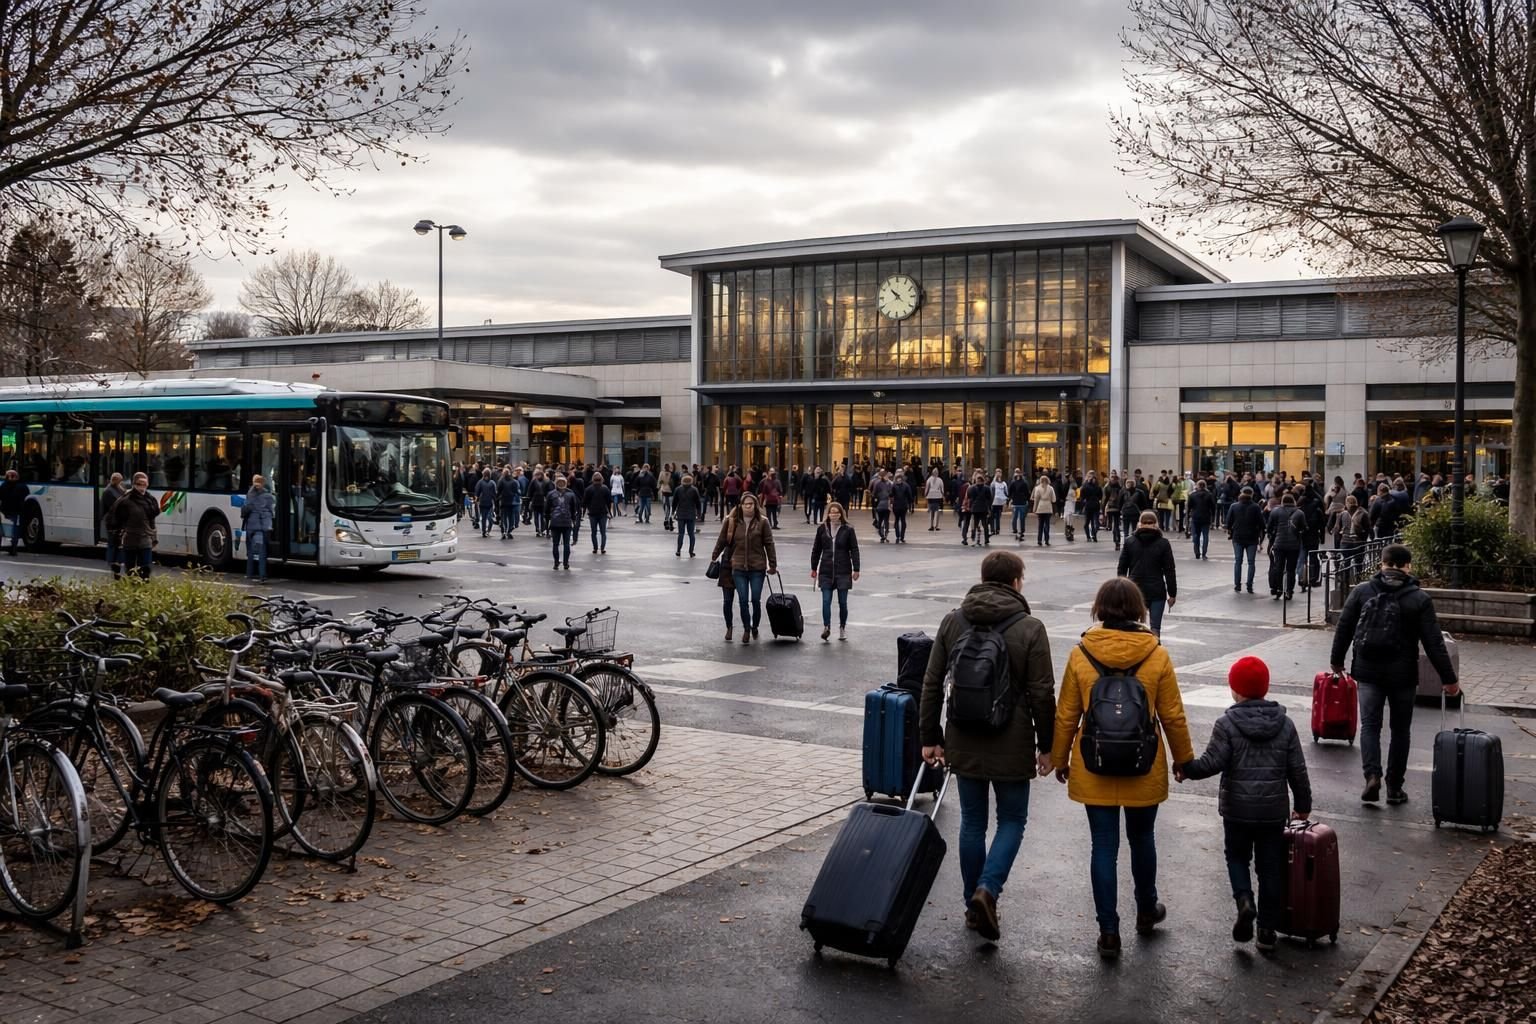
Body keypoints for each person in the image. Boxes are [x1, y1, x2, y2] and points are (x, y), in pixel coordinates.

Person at [1051, 577, 1194, 958]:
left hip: (1093, 763)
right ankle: (1146, 911)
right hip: (1143, 763)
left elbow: (1066, 714)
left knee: (1103, 845)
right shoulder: (1156, 654)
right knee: (1142, 839)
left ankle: (1108, 931)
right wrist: (1183, 759)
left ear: (1098, 609)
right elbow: (1173, 716)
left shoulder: (1081, 654)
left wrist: (1059, 757)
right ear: (1139, 610)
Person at [918, 550, 1056, 944]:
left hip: (962, 734)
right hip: (1011, 738)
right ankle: (988, 890)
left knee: (973, 823)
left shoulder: (954, 620)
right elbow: (1042, 693)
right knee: (1012, 820)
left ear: (983, 578)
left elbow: (931, 682)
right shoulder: (1030, 627)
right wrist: (1046, 746)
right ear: (1016, 582)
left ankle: (971, 905)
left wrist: (930, 736)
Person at [1177, 656, 1312, 952]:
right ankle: (1266, 931)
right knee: (1271, 868)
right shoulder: (1285, 724)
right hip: (1272, 811)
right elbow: (1297, 770)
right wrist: (1303, 805)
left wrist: (1186, 769)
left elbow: (1212, 763)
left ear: (1235, 690)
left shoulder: (1227, 723)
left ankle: (1244, 900)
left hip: (1237, 810)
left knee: (1237, 857)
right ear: (1265, 688)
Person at [1329, 544, 1459, 805]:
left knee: (1370, 726)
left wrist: (1337, 661)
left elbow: (1344, 626)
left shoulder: (1362, 591)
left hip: (1367, 670)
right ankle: (1394, 787)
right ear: (1407, 566)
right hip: (1403, 674)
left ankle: (1371, 776)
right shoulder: (1419, 599)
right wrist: (1449, 679)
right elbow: (1434, 641)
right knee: (1400, 730)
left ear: (1382, 564)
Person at [710, 493, 777, 644]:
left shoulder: (763, 522)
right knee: (743, 600)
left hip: (757, 567)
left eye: (751, 504)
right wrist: (714, 555)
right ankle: (747, 628)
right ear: (740, 505)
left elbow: (769, 544)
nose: (748, 506)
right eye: (746, 504)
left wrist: (772, 564)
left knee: (755, 599)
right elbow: (721, 540)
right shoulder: (732, 521)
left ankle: (755, 626)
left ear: (756, 505)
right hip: (738, 566)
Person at [1118, 511, 1177, 636]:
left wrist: (1122, 590)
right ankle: (1154, 652)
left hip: (1134, 589)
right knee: (1155, 627)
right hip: (1157, 590)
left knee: (1133, 627)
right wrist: (1172, 593)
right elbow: (1169, 570)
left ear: (1139, 523)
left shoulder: (1130, 541)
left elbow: (1122, 568)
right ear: (1156, 524)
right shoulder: (1163, 543)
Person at [810, 501, 860, 641]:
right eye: (832, 512)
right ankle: (827, 627)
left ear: (841, 514)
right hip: (826, 570)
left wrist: (856, 569)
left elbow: (854, 549)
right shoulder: (822, 529)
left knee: (842, 602)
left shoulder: (848, 529)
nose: (834, 515)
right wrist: (814, 567)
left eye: (837, 512)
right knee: (826, 601)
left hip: (843, 570)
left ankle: (842, 627)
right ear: (828, 513)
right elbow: (816, 549)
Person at [109, 472, 159, 578]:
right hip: (130, 540)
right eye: (139, 484)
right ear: (134, 484)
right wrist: (117, 538)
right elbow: (118, 520)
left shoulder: (150, 500)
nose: (142, 487)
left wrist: (154, 537)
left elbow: (151, 521)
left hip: (145, 540)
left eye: (144, 484)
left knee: (145, 570)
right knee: (131, 571)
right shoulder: (125, 501)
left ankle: (143, 592)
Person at [1265, 493, 1305, 601]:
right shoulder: (1299, 513)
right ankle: (1289, 591)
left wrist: (1272, 536)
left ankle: (1278, 589)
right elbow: (1304, 528)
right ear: (1293, 501)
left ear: (1282, 501)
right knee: (1291, 569)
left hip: (1279, 544)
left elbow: (1269, 527)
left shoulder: (1275, 511)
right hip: (1294, 545)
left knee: (1279, 567)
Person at [1227, 487, 1265, 594]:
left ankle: (1237, 584)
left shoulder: (1234, 506)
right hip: (1252, 537)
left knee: (1238, 561)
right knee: (1251, 562)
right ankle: (1249, 585)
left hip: (1238, 537)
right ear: (1252, 494)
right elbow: (1262, 524)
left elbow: (1228, 522)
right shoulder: (1256, 507)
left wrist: (1231, 531)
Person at [242, 474, 277, 583]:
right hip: (263, 528)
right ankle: (262, 575)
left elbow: (245, 510)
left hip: (251, 527)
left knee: (251, 552)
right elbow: (272, 511)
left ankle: (249, 574)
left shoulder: (250, 495)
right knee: (262, 552)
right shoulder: (268, 496)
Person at [545, 475, 580, 570]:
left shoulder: (551, 494)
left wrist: (547, 524)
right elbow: (574, 509)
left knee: (555, 544)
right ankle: (566, 562)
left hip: (555, 522)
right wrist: (573, 520)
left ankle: (556, 562)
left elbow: (547, 510)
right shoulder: (571, 494)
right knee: (566, 544)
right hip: (567, 521)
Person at [100, 472, 127, 578]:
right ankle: (111, 562)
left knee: (117, 544)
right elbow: (114, 506)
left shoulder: (118, 489)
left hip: (117, 521)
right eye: (119, 480)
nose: (121, 482)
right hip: (112, 522)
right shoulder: (109, 492)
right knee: (112, 543)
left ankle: (116, 562)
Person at [673, 474, 703, 557]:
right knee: (691, 534)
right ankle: (691, 551)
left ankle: (678, 550)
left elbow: (674, 502)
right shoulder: (694, 490)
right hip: (691, 514)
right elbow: (698, 503)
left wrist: (673, 512)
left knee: (681, 533)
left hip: (681, 513)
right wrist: (699, 513)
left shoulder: (678, 489)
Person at [0, 469, 28, 556]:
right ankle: (14, 546)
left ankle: (11, 545)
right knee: (15, 528)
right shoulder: (22, 487)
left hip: (5, 511)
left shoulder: (4, 486)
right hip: (16, 512)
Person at [1186, 479, 1216, 560]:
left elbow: (1189, 507)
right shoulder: (1209, 495)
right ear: (1205, 486)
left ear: (1197, 486)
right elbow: (1213, 507)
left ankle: (1197, 552)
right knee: (1205, 536)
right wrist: (1213, 518)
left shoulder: (1192, 495)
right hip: (1206, 517)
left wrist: (1188, 515)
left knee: (1196, 535)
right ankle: (1204, 553)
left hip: (1195, 517)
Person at [584, 471, 611, 555]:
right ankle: (602, 548)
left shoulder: (588, 489)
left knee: (593, 532)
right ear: (601, 479)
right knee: (603, 532)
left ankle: (595, 548)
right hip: (603, 512)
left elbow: (585, 501)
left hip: (592, 513)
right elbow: (609, 502)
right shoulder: (605, 488)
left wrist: (586, 510)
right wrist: (609, 512)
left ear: (593, 479)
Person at [1030, 474, 1055, 547]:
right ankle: (1047, 540)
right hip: (1048, 507)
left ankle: (1039, 540)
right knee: (1047, 525)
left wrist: (1034, 509)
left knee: (1040, 525)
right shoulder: (1051, 488)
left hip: (1040, 507)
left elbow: (1036, 499)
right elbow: (1054, 499)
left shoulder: (1037, 488)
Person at [1080, 471, 1103, 543]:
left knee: (1095, 523)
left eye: (1093, 476)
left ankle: (1093, 535)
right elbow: (1082, 496)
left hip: (1095, 506)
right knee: (1087, 522)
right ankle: (1089, 536)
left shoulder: (1097, 486)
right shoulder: (1085, 485)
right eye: (1090, 476)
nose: (1092, 478)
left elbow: (1100, 496)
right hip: (1088, 506)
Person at [891, 470, 913, 544]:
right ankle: (902, 536)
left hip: (896, 505)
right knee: (903, 520)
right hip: (903, 505)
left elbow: (891, 494)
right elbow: (910, 496)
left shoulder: (894, 485)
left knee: (896, 520)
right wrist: (910, 505)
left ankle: (897, 535)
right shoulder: (906, 485)